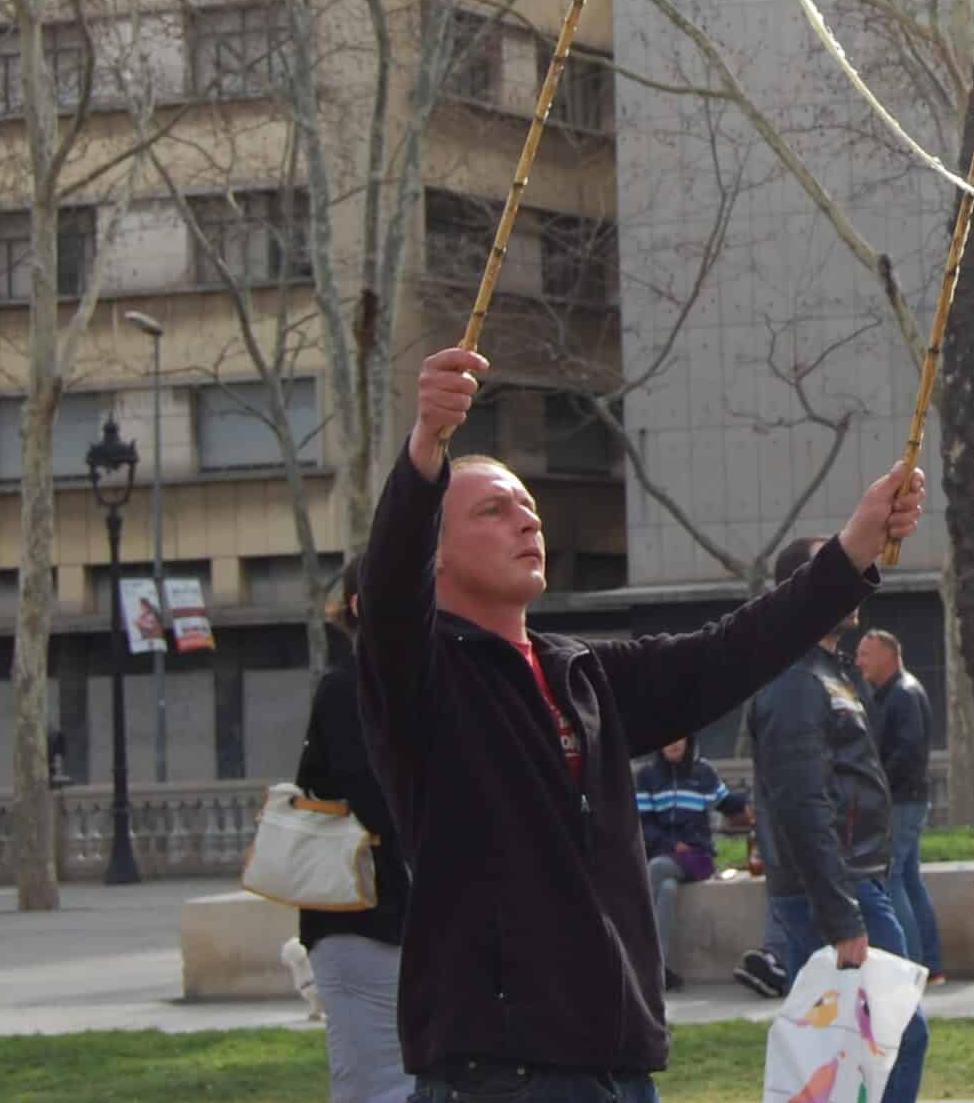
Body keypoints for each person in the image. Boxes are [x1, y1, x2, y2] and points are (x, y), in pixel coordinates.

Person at [359, 345, 921, 1102]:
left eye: (528, 506)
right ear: (435, 554)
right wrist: (426, 447)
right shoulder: (422, 679)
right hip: (499, 1073)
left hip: (619, 1068)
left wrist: (853, 548)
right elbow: (389, 591)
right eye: (494, 510)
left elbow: (728, 653)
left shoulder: (581, 672)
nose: (526, 520)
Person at [750, 537, 929, 1103]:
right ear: (805, 586)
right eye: (843, 566)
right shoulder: (795, 680)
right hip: (832, 889)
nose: (859, 577)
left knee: (876, 1041)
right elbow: (802, 804)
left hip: (852, 881)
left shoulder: (832, 674)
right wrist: (841, 915)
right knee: (870, 1041)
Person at [295, 566, 411, 1103]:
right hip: (359, 917)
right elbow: (374, 798)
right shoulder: (348, 690)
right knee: (378, 1082)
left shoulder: (391, 688)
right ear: (362, 606)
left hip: (393, 917)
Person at [855, 628, 943, 984]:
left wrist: (877, 787)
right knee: (908, 878)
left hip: (899, 801)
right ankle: (930, 965)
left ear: (888, 657)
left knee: (890, 879)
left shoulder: (902, 695)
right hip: (906, 798)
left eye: (865, 654)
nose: (859, 660)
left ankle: (910, 967)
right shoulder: (893, 693)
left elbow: (907, 752)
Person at [636, 733, 746, 992]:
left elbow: (728, 804)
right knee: (667, 888)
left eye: (679, 738)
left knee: (656, 869)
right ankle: (661, 969)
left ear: (689, 742)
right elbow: (645, 824)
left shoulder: (704, 773)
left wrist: (753, 800)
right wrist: (671, 846)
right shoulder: (647, 777)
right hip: (664, 854)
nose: (673, 743)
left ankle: (642, 961)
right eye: (667, 738)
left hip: (698, 856)